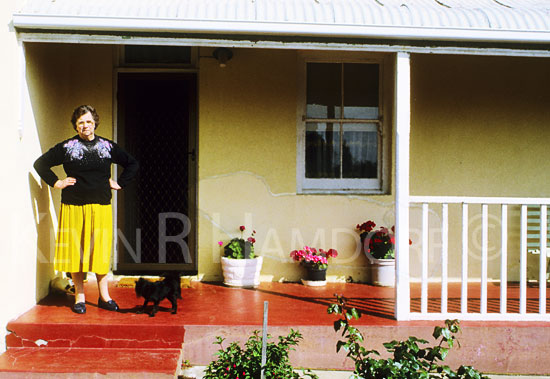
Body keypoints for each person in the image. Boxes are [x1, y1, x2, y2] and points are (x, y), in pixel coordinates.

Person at [34, 105, 139, 314]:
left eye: (89, 121)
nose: (85, 126)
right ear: (75, 125)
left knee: (99, 251)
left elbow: (132, 163)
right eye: (81, 122)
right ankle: (79, 298)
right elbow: (41, 164)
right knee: (76, 251)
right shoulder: (66, 147)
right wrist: (57, 183)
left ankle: (104, 296)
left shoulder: (107, 147)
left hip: (100, 206)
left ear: (95, 123)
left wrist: (120, 183)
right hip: (73, 205)